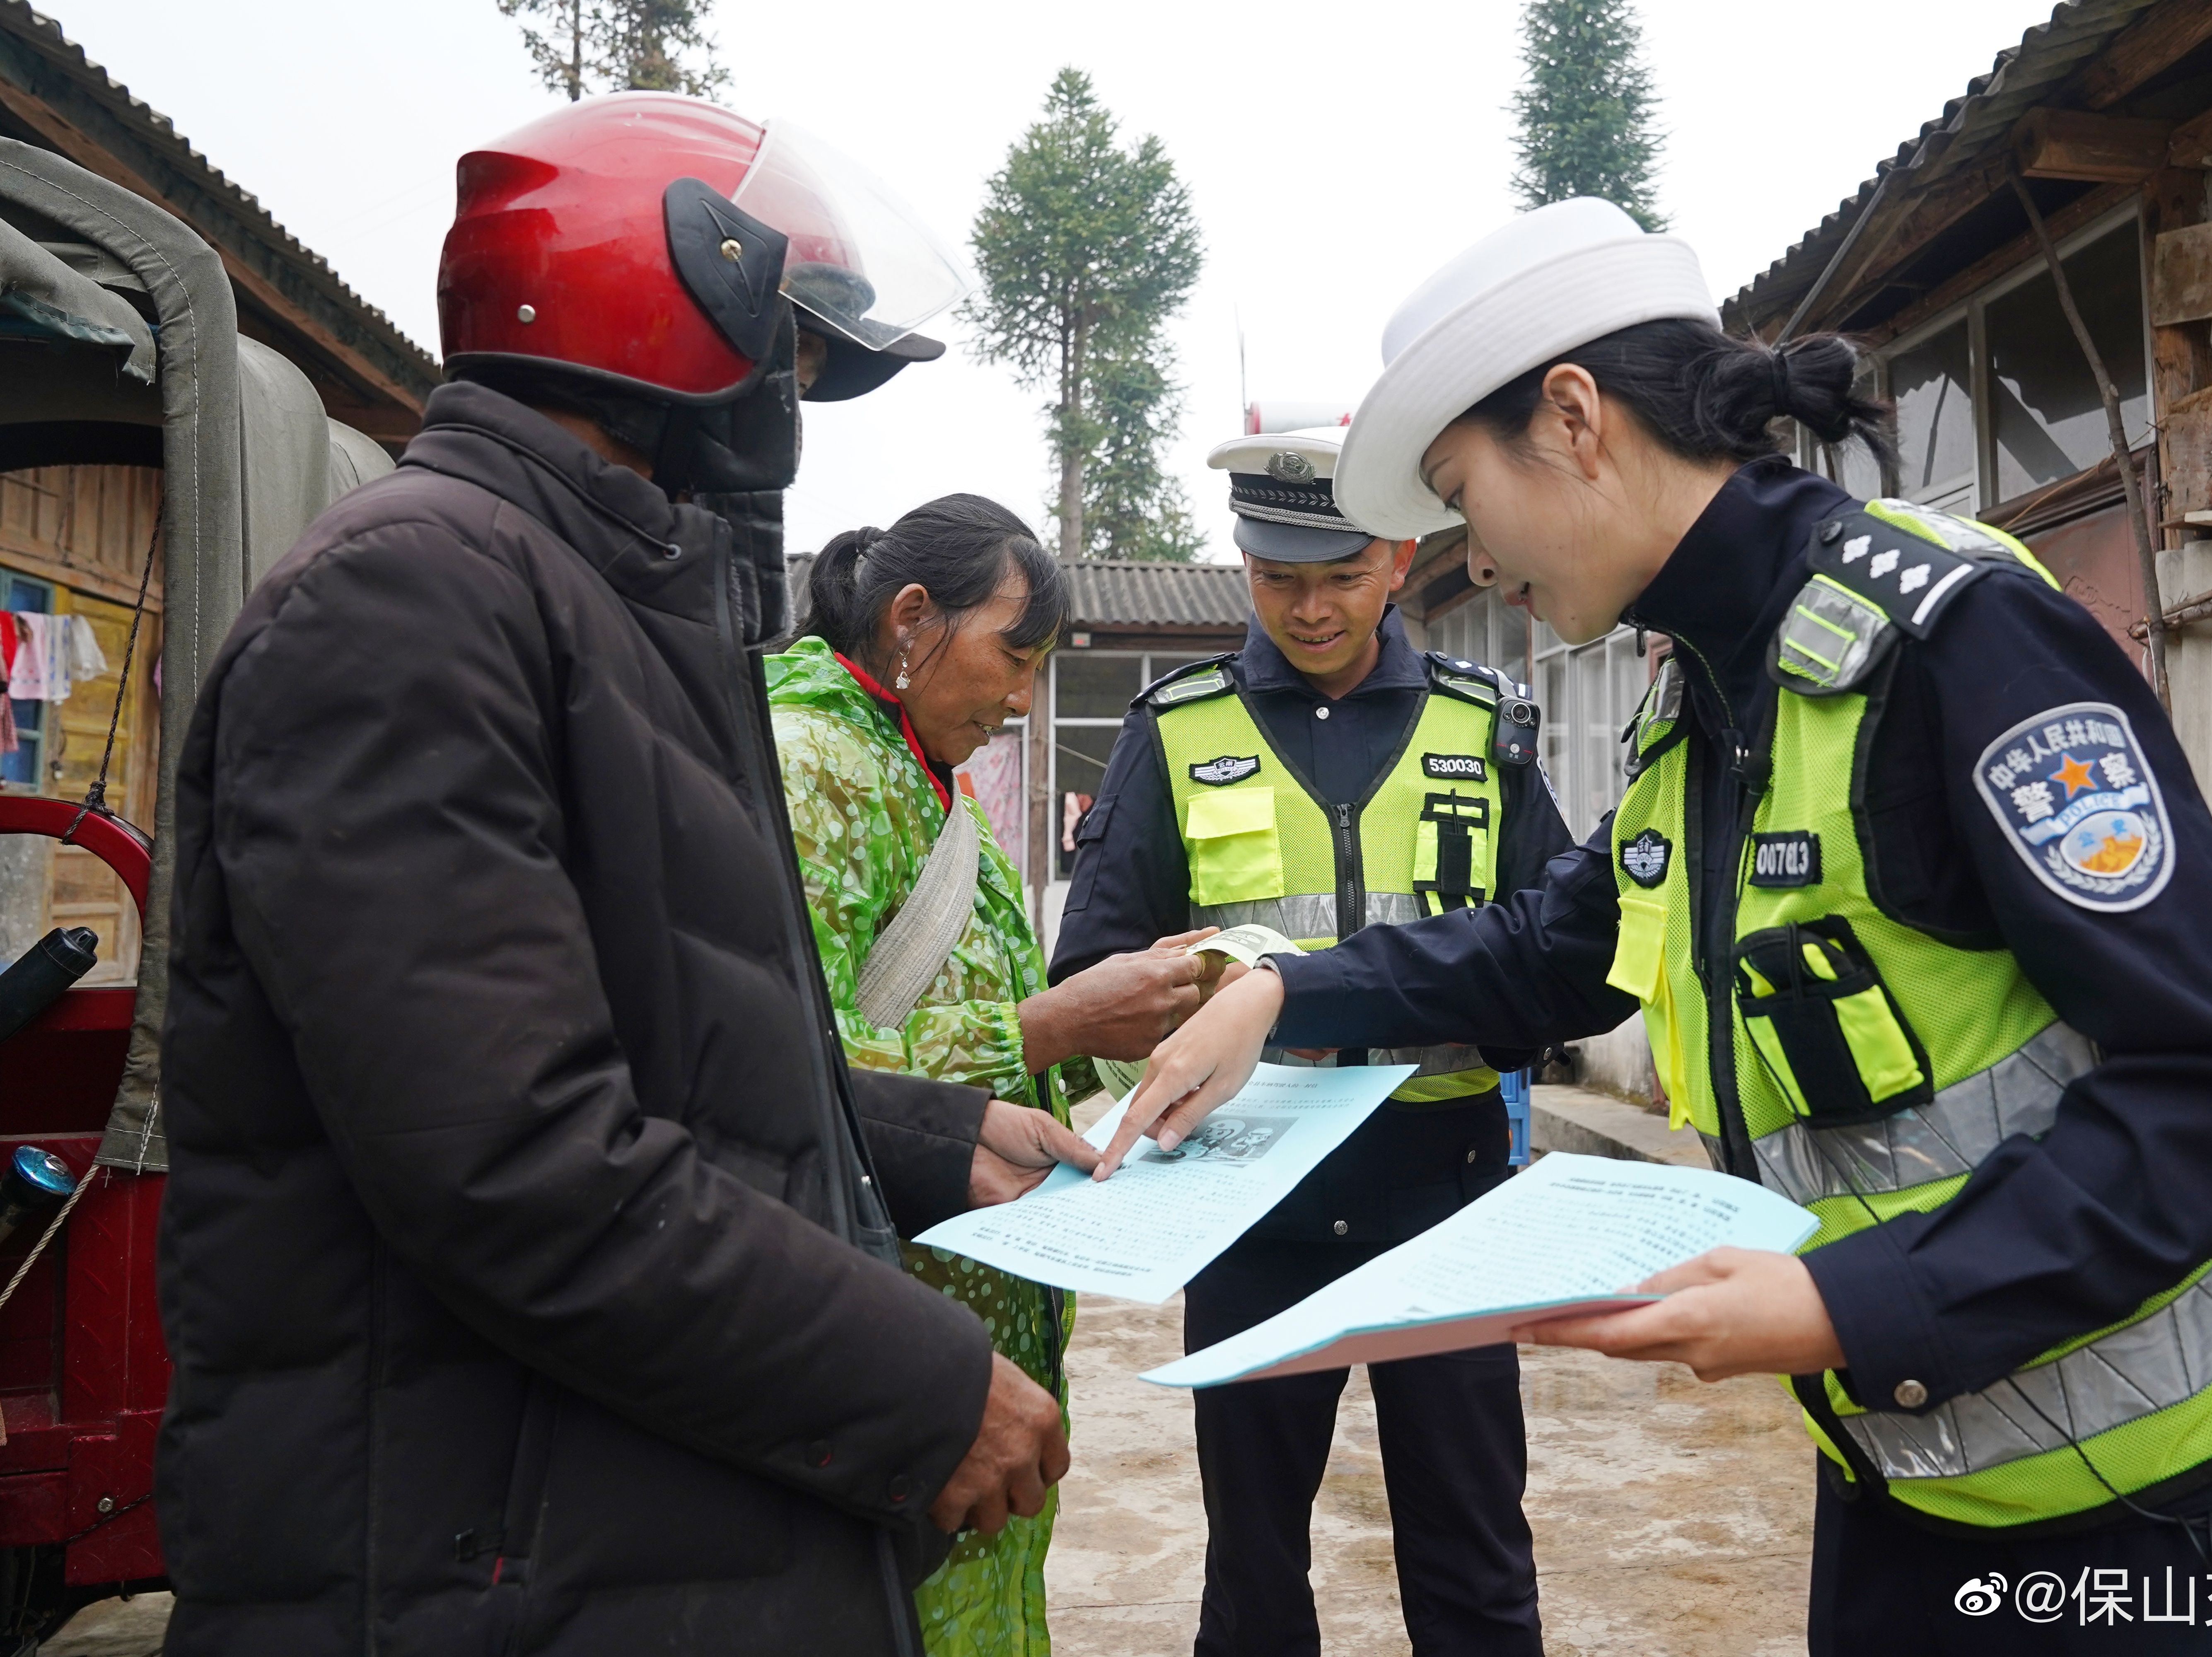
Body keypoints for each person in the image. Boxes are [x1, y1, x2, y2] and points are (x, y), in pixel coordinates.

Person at [1105, 199, 2212, 1656]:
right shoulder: (1711, 693)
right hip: (1908, 1461)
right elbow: (1554, 946)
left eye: (1461, 489)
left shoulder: (1954, 641)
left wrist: (1850, 1302)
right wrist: (1280, 992)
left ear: (1572, 419)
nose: (1474, 561)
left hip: (2157, 1503)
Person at [157, 96, 1090, 1657]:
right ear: (665, 324)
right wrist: (914, 1384)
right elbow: (512, 1158)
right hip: (483, 1560)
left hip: (611, 1537)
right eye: (788, 358)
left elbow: (656, 1046)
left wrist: (932, 1134)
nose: (793, 405)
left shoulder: (607, 608)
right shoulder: (411, 602)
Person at [1054, 426, 1577, 1657]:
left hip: (1442, 1203)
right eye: (1281, 577)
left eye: (1341, 576)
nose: (1311, 607)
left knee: (1477, 1564)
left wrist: (1398, 999)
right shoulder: (1175, 730)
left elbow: (1560, 959)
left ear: (1399, 557)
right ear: (1242, 564)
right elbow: (1093, 974)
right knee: (1254, 1571)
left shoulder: (1483, 725)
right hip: (1250, 1216)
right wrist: (1202, 995)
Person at [768, 494, 1218, 1656]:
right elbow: (776, 1065)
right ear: (912, 618)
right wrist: (1049, 1029)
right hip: (890, 1326)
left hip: (977, 1314)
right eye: (1014, 660)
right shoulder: (810, 763)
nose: (1023, 701)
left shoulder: (923, 774)